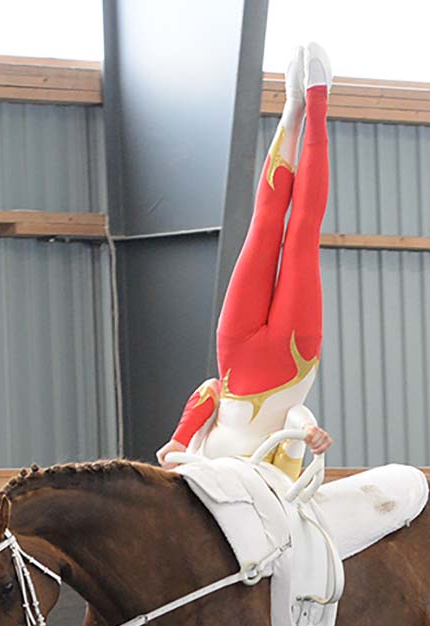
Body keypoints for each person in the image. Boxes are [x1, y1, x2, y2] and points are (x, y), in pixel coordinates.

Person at [155, 43, 334, 480]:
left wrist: (180, 438)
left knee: (265, 225)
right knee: (301, 233)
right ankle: (316, 99)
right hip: (292, 357)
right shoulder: (261, 481)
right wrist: (311, 431)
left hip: (235, 353)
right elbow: (292, 417)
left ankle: (291, 107)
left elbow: (211, 389)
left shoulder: (191, 466)